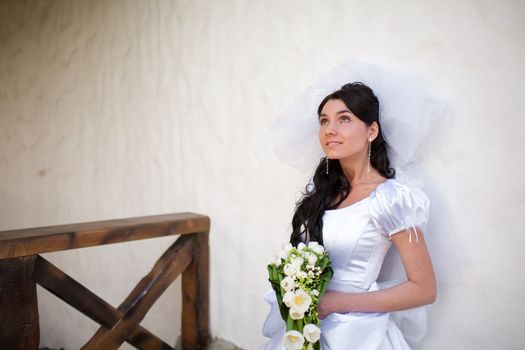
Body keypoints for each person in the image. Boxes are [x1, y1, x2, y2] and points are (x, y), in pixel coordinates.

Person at [263, 77, 442, 349]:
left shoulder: (392, 199)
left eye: (344, 119)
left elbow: (424, 289)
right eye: (324, 121)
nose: (330, 130)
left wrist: (338, 302)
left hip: (357, 332)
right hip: (307, 320)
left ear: (371, 131)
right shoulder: (322, 191)